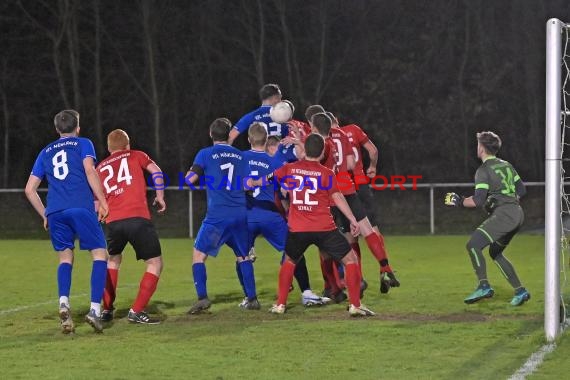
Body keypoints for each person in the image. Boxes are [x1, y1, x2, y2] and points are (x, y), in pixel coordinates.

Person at [252, 133, 375, 316]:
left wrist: (253, 182)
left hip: (298, 228)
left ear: (304, 150)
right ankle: (355, 305)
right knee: (351, 261)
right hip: (324, 228)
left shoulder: (289, 168)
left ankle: (280, 305)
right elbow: (337, 197)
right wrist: (351, 219)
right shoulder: (326, 173)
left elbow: (268, 178)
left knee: (289, 261)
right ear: (322, 152)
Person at [24, 109, 108, 334]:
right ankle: (94, 310)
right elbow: (90, 171)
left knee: (65, 258)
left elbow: (29, 189)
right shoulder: (83, 143)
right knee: (100, 254)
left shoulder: (45, 151)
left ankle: (63, 303)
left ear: (57, 129)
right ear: (77, 127)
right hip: (80, 206)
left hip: (55, 211)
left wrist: (45, 214)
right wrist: (102, 200)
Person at [311, 112, 400, 297]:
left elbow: (314, 161)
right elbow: (351, 163)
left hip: (332, 195)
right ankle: (385, 266)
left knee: (336, 242)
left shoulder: (321, 142)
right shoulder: (345, 134)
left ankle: (343, 286)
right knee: (368, 228)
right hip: (352, 189)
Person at [243, 123, 329, 306]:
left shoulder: (241, 158)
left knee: (241, 256)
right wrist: (298, 139)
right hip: (271, 215)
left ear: (249, 139)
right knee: (294, 251)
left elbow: (237, 186)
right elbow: (304, 161)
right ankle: (305, 291)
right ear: (266, 140)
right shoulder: (274, 161)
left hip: (248, 215)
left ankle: (250, 298)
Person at [444, 131, 530, 306]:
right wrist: (503, 199)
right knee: (495, 252)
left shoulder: (483, 170)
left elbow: (478, 201)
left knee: (473, 245)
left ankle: (483, 286)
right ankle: (520, 291)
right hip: (517, 214)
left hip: (504, 215)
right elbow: (521, 190)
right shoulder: (507, 165)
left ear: (481, 148)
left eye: (477, 144)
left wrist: (458, 201)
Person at [185, 118, 259, 313]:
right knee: (243, 256)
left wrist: (196, 180)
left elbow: (190, 179)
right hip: (239, 214)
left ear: (211, 134)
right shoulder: (240, 156)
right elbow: (247, 185)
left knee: (198, 256)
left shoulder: (205, 154)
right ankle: (252, 298)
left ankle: (202, 298)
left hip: (217, 215)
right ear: (228, 135)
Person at [96, 129, 166, 324]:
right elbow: (156, 171)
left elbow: (97, 199)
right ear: (128, 145)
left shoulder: (101, 167)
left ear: (109, 149)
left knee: (113, 261)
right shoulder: (136, 155)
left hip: (113, 221)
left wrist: (100, 212)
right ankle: (136, 311)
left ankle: (107, 310)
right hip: (137, 217)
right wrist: (159, 196)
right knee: (155, 263)